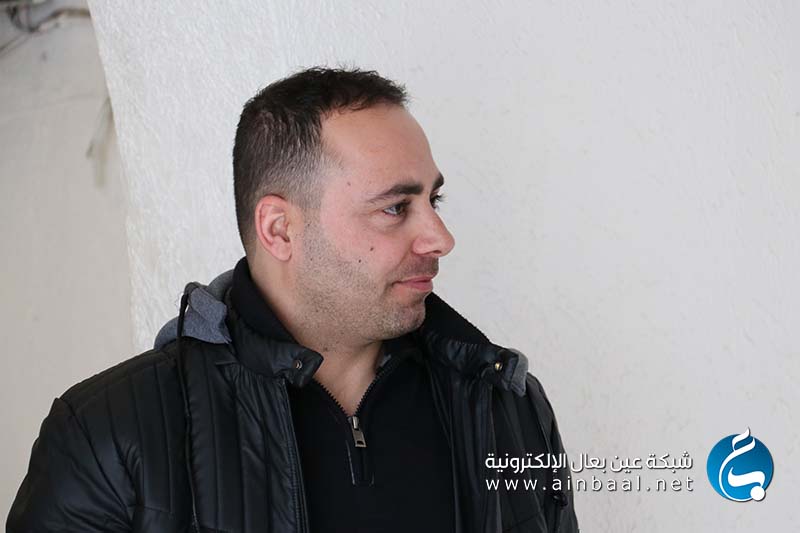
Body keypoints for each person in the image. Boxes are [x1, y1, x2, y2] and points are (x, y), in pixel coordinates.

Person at [7, 67, 579, 533]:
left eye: (435, 201)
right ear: (280, 229)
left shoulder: (507, 405)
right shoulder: (108, 435)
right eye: (395, 207)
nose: (440, 238)